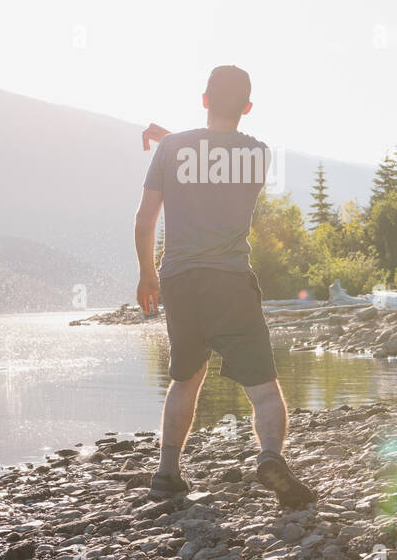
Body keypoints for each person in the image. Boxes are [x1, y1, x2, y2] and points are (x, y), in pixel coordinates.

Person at [134, 65, 316, 507]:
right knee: (263, 385)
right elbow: (218, 159)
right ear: (248, 108)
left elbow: (144, 219)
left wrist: (146, 273)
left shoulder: (172, 149)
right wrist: (177, 141)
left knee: (185, 378)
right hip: (231, 281)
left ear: (203, 100)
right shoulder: (258, 154)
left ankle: (167, 472)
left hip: (178, 281)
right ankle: (270, 456)